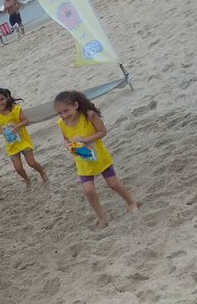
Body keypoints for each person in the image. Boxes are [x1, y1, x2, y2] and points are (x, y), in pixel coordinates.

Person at [54, 90, 139, 227]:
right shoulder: (61, 123)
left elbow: (103, 132)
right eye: (60, 113)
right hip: (82, 160)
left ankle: (131, 202)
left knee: (114, 185)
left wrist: (85, 139)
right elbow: (65, 139)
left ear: (76, 105)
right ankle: (102, 218)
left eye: (66, 111)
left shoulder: (89, 115)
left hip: (99, 157)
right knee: (88, 190)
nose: (64, 115)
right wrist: (68, 146)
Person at [0, 88, 49, 187]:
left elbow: (26, 121)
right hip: (12, 145)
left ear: (7, 98)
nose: (0, 103)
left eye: (2, 99)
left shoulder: (15, 109)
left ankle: (42, 172)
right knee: (18, 169)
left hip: (23, 141)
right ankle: (27, 179)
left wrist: (17, 126)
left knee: (31, 163)